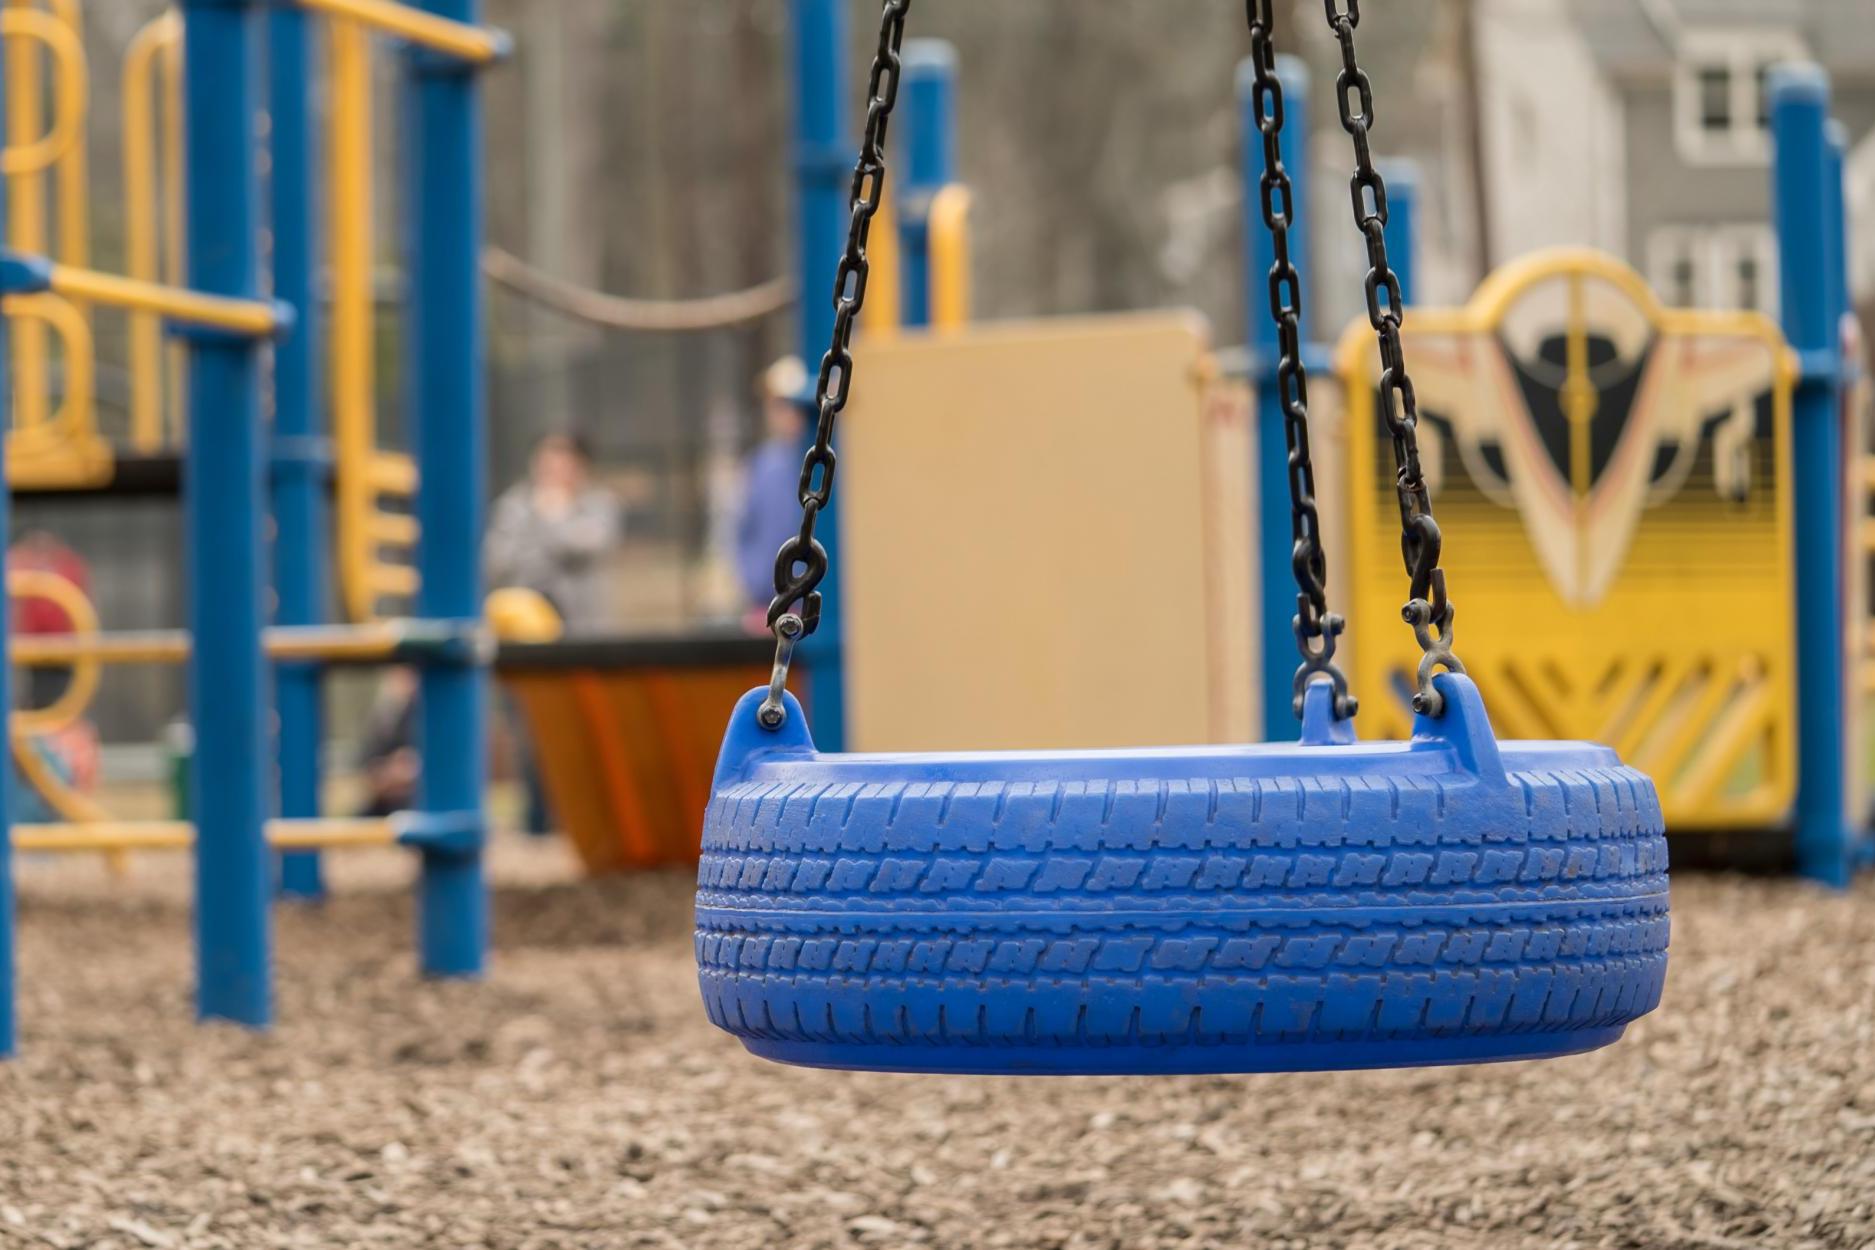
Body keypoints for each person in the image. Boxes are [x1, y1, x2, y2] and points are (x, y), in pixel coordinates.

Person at [484, 432, 621, 632]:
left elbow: (590, 546)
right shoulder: (514, 505)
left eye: (562, 464)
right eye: (546, 464)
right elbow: (498, 560)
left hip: (583, 627)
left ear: (580, 467)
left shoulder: (599, 504)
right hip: (524, 629)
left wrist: (554, 516)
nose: (553, 471)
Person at [735, 357, 809, 630]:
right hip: (765, 604)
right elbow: (743, 529)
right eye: (776, 405)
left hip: (810, 603)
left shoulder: (822, 462)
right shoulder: (761, 465)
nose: (784, 414)